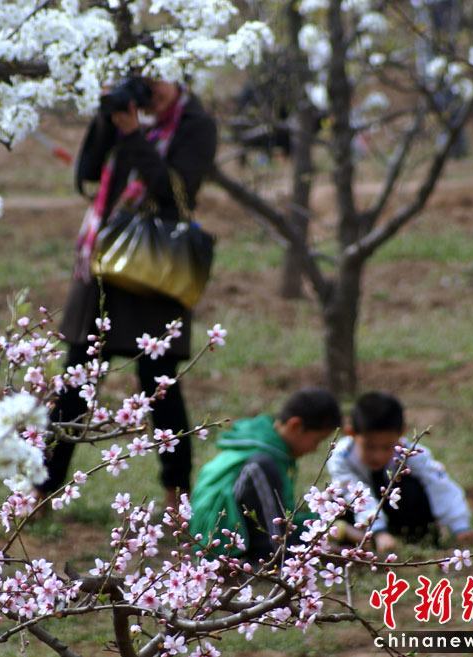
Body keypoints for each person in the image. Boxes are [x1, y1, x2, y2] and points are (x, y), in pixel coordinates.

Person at [40, 76, 217, 506]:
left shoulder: (195, 124)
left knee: (159, 385)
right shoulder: (127, 118)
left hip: (153, 270)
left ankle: (177, 494)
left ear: (177, 76)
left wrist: (134, 135)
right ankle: (41, 489)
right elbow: (87, 173)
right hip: (104, 263)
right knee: (75, 380)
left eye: (160, 82)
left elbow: (176, 193)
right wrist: (109, 119)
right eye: (146, 81)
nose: (153, 92)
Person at [189, 388, 342, 563]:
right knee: (261, 468)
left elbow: (282, 513)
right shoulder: (262, 460)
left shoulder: (271, 445)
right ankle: (273, 554)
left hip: (236, 529)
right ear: (295, 426)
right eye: (317, 441)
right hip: (219, 539)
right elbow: (277, 523)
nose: (315, 449)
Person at [327, 392, 473, 554]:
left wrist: (460, 526)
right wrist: (377, 531)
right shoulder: (341, 457)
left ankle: (419, 538)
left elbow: (440, 486)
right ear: (351, 433)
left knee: (412, 487)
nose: (378, 456)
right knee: (335, 499)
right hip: (362, 516)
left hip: (402, 514)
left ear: (402, 433)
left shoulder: (411, 454)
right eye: (370, 447)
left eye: (386, 447)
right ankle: (360, 541)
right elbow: (355, 493)